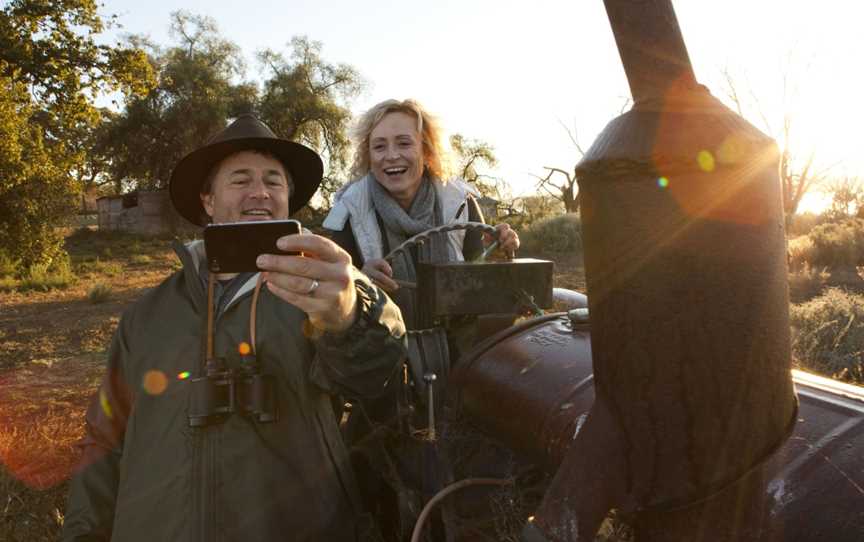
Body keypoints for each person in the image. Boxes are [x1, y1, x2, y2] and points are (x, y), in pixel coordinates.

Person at [61, 114, 407, 542]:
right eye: (241, 180)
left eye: (273, 181)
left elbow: (377, 375)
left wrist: (351, 313)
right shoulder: (146, 315)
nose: (259, 192)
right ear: (207, 200)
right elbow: (104, 440)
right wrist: (82, 534)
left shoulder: (322, 290)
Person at [322, 99, 520, 540]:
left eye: (403, 143)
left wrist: (502, 248)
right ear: (366, 156)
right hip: (384, 364)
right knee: (378, 472)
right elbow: (326, 277)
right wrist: (357, 278)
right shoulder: (346, 211)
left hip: (456, 359)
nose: (391, 156)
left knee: (467, 459)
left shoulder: (459, 202)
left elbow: (482, 274)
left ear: (426, 150)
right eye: (379, 146)